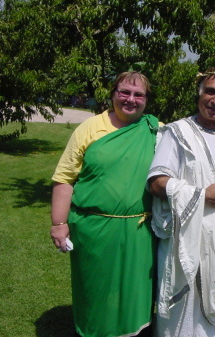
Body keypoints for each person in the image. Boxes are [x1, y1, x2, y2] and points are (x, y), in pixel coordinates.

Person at [50, 72, 159, 337]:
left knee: (134, 292)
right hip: (92, 228)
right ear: (112, 94)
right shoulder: (89, 128)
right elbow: (65, 179)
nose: (130, 99)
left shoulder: (157, 130)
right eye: (124, 92)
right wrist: (59, 224)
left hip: (139, 230)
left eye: (138, 94)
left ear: (146, 100)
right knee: (95, 290)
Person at [148, 66, 215, 337]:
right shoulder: (177, 132)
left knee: (214, 326)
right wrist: (201, 195)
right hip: (186, 245)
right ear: (199, 93)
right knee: (180, 321)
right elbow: (156, 181)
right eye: (210, 91)